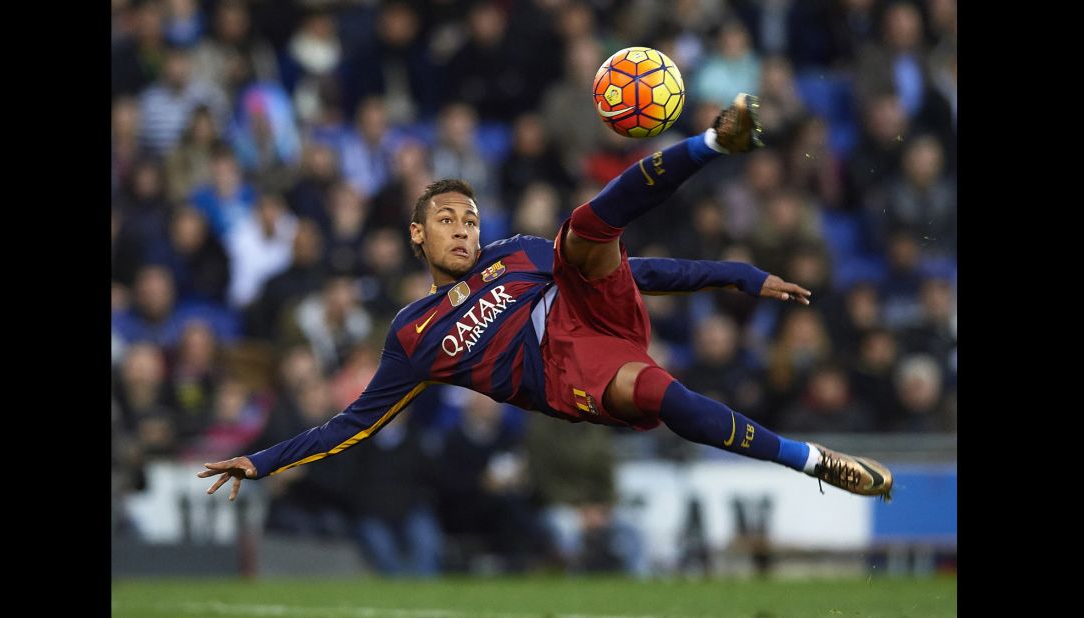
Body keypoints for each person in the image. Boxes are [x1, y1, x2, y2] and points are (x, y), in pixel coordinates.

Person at [199, 94, 893, 504]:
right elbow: (350, 424)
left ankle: (714, 141)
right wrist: (262, 461)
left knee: (585, 229)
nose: (464, 228)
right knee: (661, 395)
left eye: (469, 217)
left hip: (596, 307)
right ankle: (812, 461)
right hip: (571, 374)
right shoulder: (414, 334)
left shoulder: (517, 254)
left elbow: (640, 269)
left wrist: (735, 273)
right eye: (446, 219)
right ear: (416, 234)